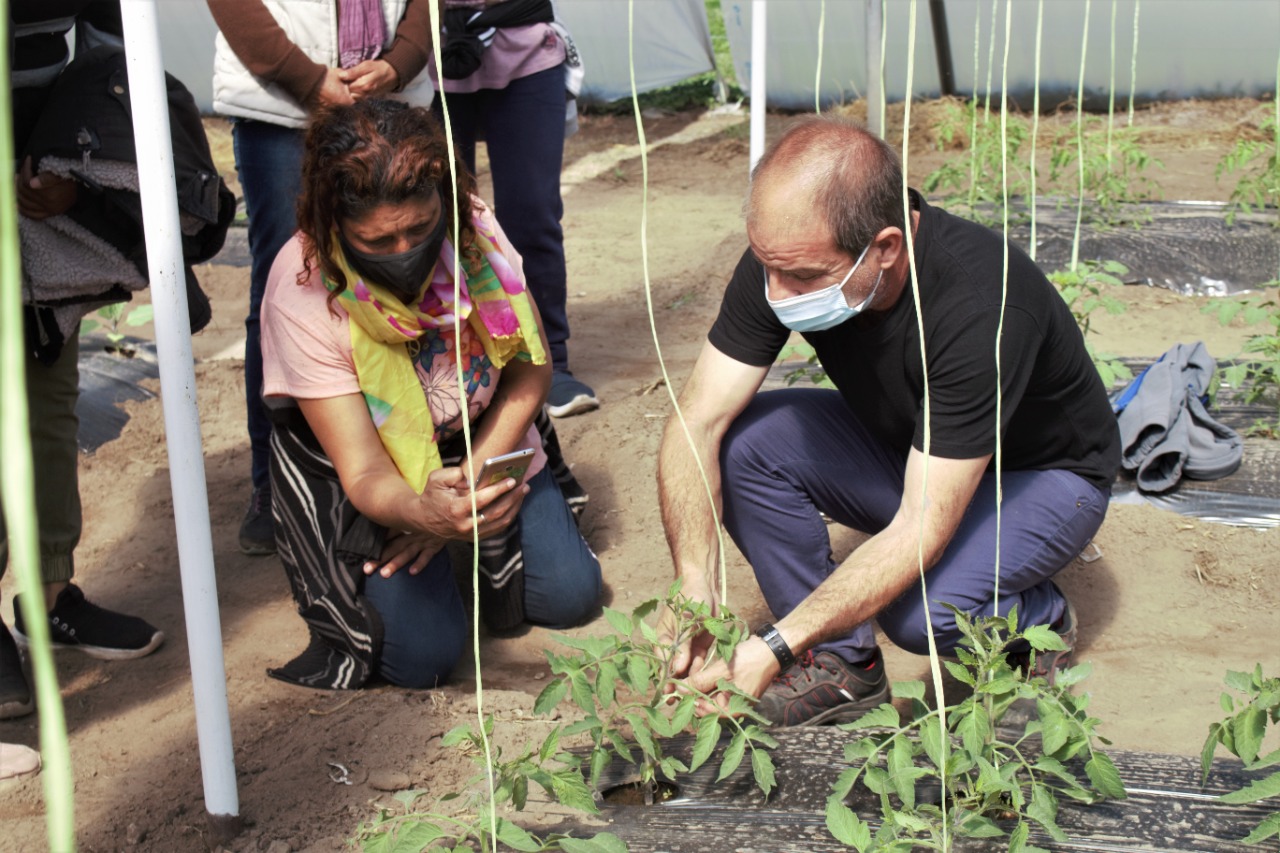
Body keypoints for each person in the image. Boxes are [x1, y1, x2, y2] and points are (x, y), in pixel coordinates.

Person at [657, 116, 1121, 727]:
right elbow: (697, 419)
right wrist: (693, 579)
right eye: (768, 266)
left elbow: (920, 528)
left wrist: (772, 644)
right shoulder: (788, 256)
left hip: (1043, 477)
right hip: (920, 451)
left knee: (922, 612)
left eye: (801, 277)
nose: (777, 292)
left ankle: (1037, 619)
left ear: (885, 248)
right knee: (744, 442)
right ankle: (841, 666)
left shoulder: (979, 304)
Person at [259, 99, 602, 690]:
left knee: (572, 598)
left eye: (419, 229)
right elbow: (365, 472)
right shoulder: (303, 290)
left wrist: (472, 483)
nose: (404, 251)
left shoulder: (473, 232)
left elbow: (530, 373)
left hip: (480, 438)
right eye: (376, 239)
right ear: (331, 223)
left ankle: (463, 555)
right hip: (369, 470)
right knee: (422, 659)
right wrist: (421, 511)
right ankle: (446, 568)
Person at [2, 0, 176, 732]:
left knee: (48, 389)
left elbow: (111, 37)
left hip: (42, 149)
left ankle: (47, 594)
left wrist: (75, 158)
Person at [208, 0, 436, 555]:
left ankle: (423, 459)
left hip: (390, 99)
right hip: (282, 107)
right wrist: (307, 79)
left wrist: (400, 62)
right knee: (290, 291)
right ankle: (279, 481)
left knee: (419, 274)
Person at [430, 0, 598, 417]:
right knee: (437, 218)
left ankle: (548, 362)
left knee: (531, 213)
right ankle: (455, 365)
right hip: (428, 53)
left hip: (527, 48)